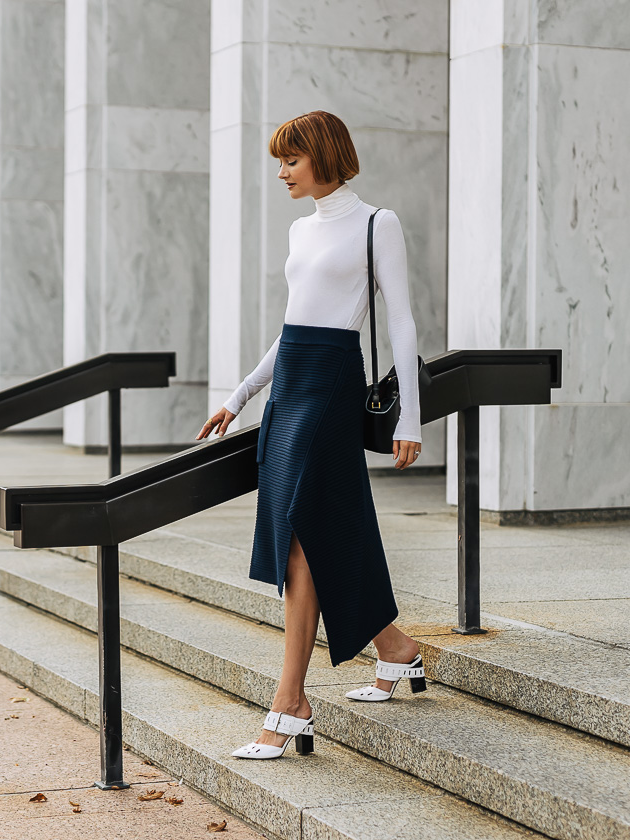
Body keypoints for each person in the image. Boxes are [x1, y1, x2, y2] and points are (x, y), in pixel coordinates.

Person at [195, 110, 426, 760]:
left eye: (290, 160)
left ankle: (289, 702)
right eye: (281, 161)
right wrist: (239, 396)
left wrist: (407, 416)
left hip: (330, 390)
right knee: (323, 528)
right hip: (291, 386)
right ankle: (396, 650)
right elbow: (292, 327)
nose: (282, 172)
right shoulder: (301, 230)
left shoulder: (378, 224)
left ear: (323, 155)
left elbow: (402, 323)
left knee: (300, 536)